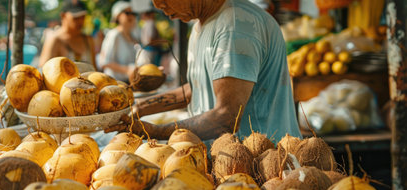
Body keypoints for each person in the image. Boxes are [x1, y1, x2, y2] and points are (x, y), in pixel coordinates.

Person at [106, 0, 301, 144]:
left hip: (263, 163)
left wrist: (156, 131)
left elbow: (227, 117)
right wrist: (139, 107)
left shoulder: (235, 26)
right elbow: (198, 86)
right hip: (226, 160)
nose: (158, 5)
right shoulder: (202, 25)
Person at [38, 0, 96, 68]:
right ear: (63, 16)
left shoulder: (88, 40)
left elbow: (94, 69)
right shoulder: (55, 39)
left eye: (83, 17)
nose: (80, 21)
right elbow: (43, 69)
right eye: (76, 17)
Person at [98, 1, 139, 83]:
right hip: (115, 84)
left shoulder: (133, 37)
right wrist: (127, 70)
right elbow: (104, 62)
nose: (131, 16)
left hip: (130, 83)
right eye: (127, 13)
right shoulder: (114, 35)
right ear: (117, 16)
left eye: (133, 13)